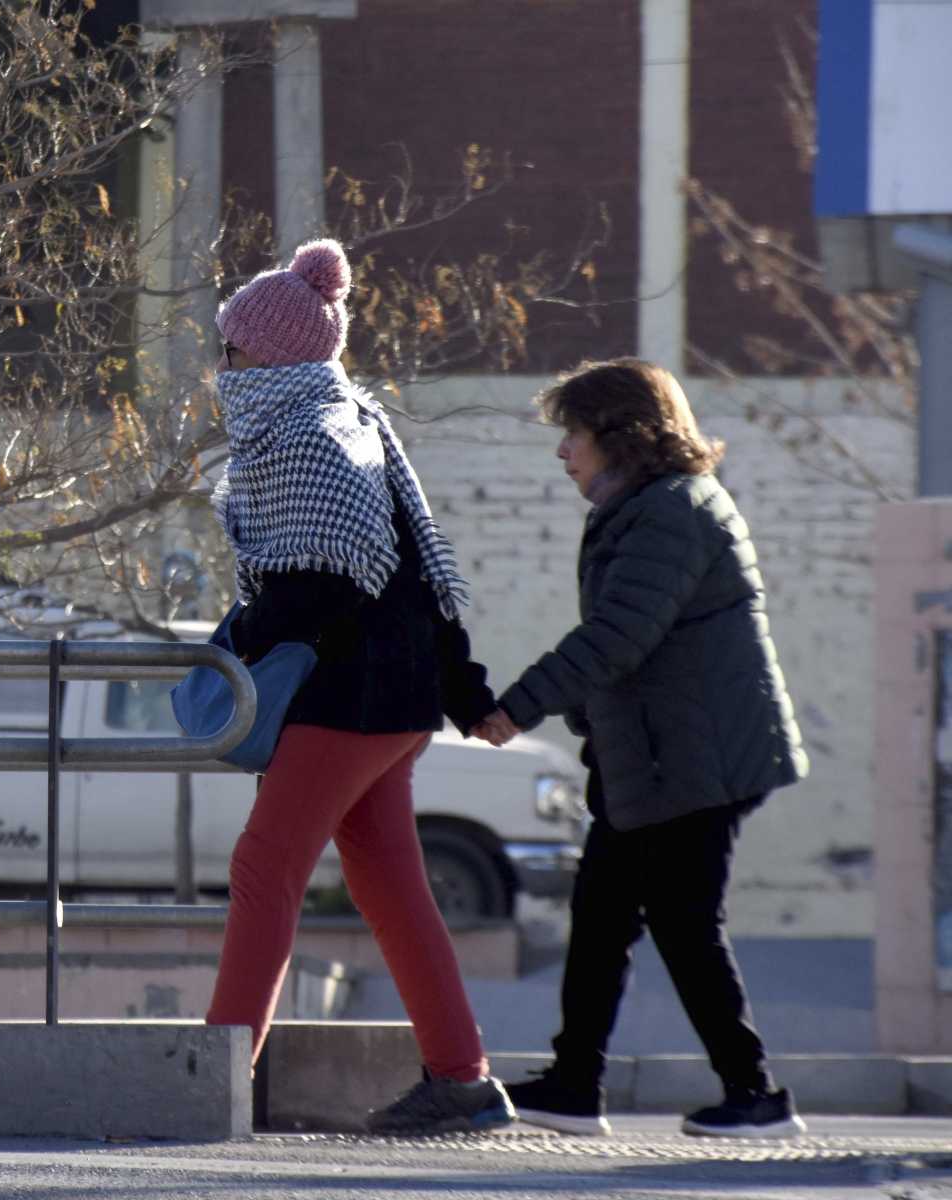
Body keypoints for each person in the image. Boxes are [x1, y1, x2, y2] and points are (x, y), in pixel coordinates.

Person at [203, 238, 515, 1136]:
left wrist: (245, 639)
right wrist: (463, 687)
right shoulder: (354, 418)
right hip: (395, 696)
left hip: (349, 698)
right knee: (390, 885)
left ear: (276, 352)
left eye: (235, 348)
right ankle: (462, 1080)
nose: (225, 365)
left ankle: (216, 1072)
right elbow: (418, 563)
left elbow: (327, 582)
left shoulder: (309, 433)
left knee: (265, 868)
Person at [473, 358, 809, 1139]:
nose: (563, 452)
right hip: (659, 758)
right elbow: (638, 652)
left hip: (703, 759)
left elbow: (619, 637)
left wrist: (517, 708)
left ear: (622, 434)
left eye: (574, 435)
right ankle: (574, 1084)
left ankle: (755, 1096)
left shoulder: (672, 511)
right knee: (601, 914)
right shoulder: (643, 508)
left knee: (685, 922)